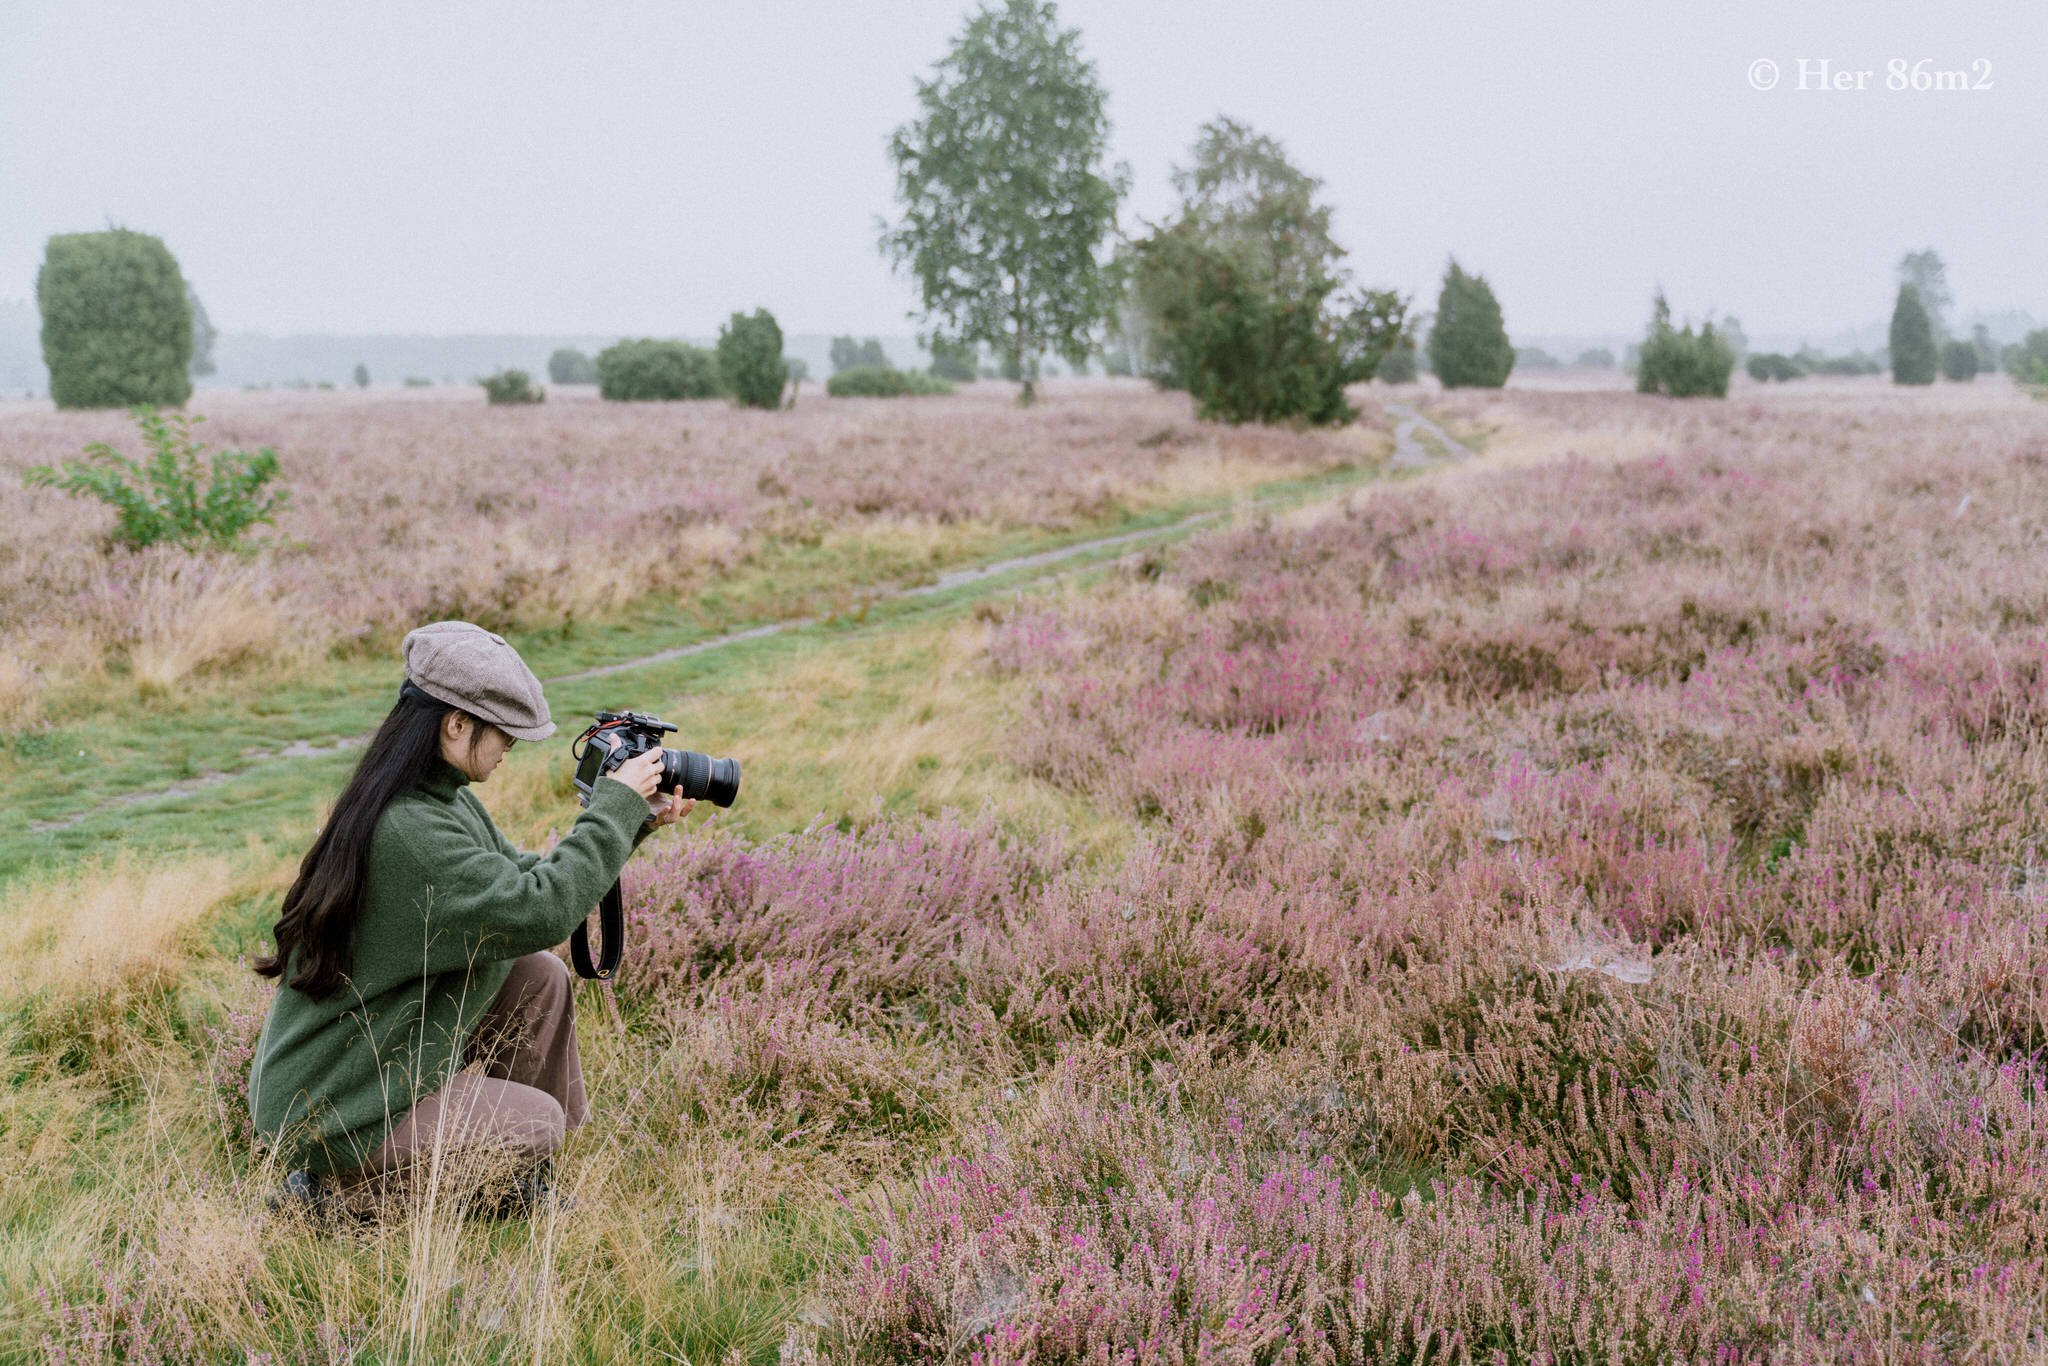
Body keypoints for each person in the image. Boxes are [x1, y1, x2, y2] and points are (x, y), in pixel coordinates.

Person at [247, 620, 690, 1217]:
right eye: (505, 734)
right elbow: (544, 909)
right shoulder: (410, 831)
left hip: (379, 1059)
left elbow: (526, 886)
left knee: (538, 975)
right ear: (456, 725)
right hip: (335, 1106)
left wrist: (632, 822)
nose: (510, 748)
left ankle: (505, 1178)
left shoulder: (435, 799)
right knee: (537, 1124)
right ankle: (335, 1196)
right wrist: (613, 808)